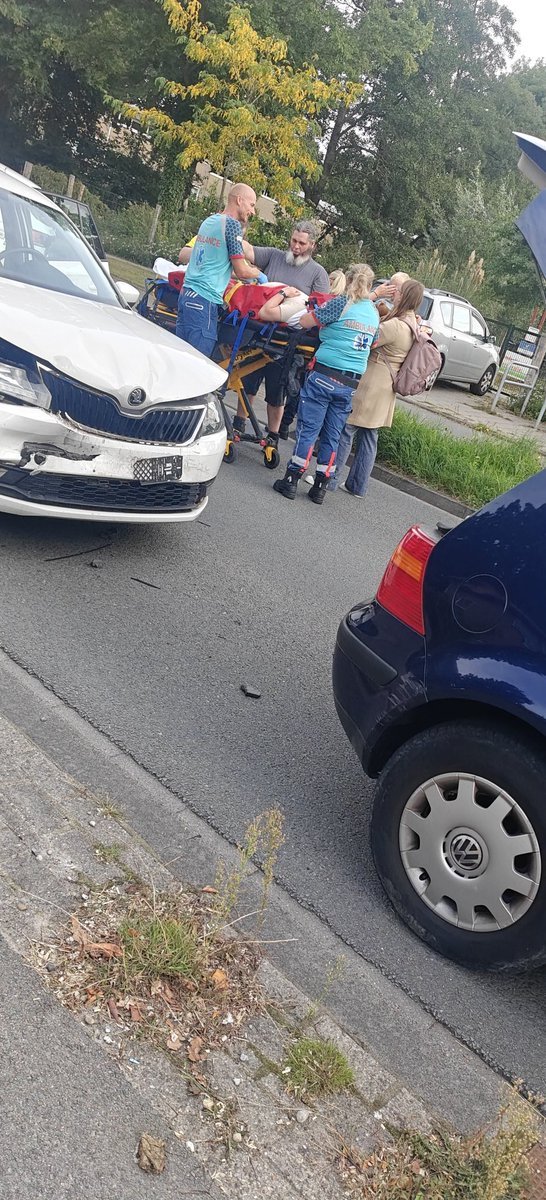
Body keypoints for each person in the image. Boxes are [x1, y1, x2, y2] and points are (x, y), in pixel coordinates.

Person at [273, 263, 379, 506]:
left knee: (309, 429)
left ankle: (291, 479)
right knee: (332, 434)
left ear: (348, 281)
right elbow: (373, 342)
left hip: (324, 375)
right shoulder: (374, 313)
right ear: (371, 285)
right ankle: (320, 486)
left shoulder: (341, 303)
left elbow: (306, 321)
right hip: (350, 383)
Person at [235, 221, 330, 443]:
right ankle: (239, 422)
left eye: (302, 243)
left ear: (312, 245)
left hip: (289, 341)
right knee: (248, 379)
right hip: (259, 331)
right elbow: (248, 250)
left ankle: (273, 434)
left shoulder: (318, 274)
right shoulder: (274, 256)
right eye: (294, 240)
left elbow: (320, 310)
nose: (296, 246)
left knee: (277, 390)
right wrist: (235, 232)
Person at [331, 278, 425, 498]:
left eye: (399, 291)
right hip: (386, 387)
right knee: (369, 435)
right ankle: (357, 485)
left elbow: (368, 337)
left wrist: (371, 305)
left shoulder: (396, 326)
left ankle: (330, 477)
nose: (394, 293)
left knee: (347, 428)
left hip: (372, 383)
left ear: (405, 296)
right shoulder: (413, 323)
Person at [175, 184, 262, 357]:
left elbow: (217, 264)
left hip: (186, 296)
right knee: (198, 363)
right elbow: (242, 271)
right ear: (239, 200)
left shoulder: (210, 221)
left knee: (181, 358)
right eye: (251, 205)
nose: (252, 211)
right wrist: (259, 274)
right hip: (204, 301)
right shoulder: (232, 225)